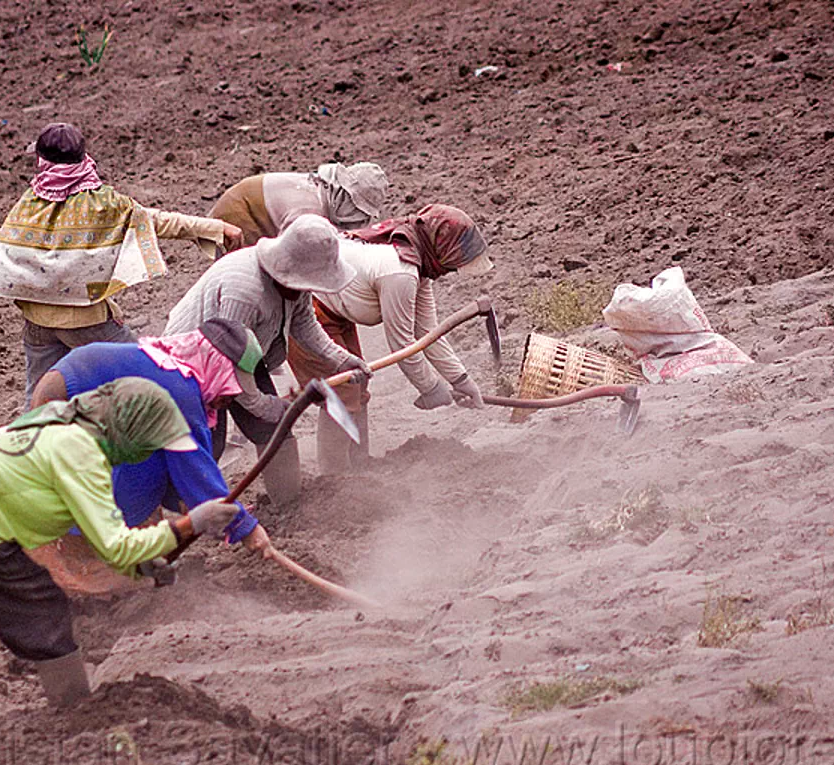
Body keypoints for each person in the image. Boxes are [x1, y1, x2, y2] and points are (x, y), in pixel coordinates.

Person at [0, 377, 270, 751]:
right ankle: (82, 726)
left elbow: (105, 544)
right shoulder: (81, 452)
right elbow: (116, 547)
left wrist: (142, 566)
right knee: (44, 612)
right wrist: (192, 523)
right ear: (131, 432)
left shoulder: (65, 425)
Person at [0, 122, 245, 405]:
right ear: (83, 158)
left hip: (36, 323)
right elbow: (156, 221)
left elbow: (10, 256)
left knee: (39, 399)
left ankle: (30, 444)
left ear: (42, 161)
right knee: (151, 373)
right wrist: (215, 228)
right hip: (88, 320)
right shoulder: (102, 204)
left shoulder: (29, 202)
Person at [26, 319, 280, 592]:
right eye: (230, 387)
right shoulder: (180, 389)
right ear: (217, 366)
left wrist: (191, 505)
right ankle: (82, 574)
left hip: (63, 394)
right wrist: (246, 528)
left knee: (143, 473)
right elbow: (194, 470)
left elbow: (172, 466)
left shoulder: (167, 365)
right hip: (68, 403)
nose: (229, 398)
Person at [164, 215, 371, 504]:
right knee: (210, 442)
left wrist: (342, 359)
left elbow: (305, 325)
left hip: (245, 353)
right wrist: (261, 404)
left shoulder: (294, 284)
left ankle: (287, 505)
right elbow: (226, 362)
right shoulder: (246, 290)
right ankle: (185, 517)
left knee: (276, 430)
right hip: (196, 363)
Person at [287, 204, 493, 471]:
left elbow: (428, 334)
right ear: (440, 249)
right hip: (307, 311)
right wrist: (431, 388)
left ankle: (359, 467)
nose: (451, 272)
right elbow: (402, 345)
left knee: (357, 382)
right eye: (452, 265)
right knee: (341, 392)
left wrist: (461, 380)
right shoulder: (400, 272)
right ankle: (333, 478)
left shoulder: (418, 268)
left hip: (335, 313)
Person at [208, 162, 388, 248]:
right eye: (357, 211)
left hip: (255, 207)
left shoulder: (323, 194)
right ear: (344, 196)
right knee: (247, 275)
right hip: (240, 211)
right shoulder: (309, 209)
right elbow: (290, 254)